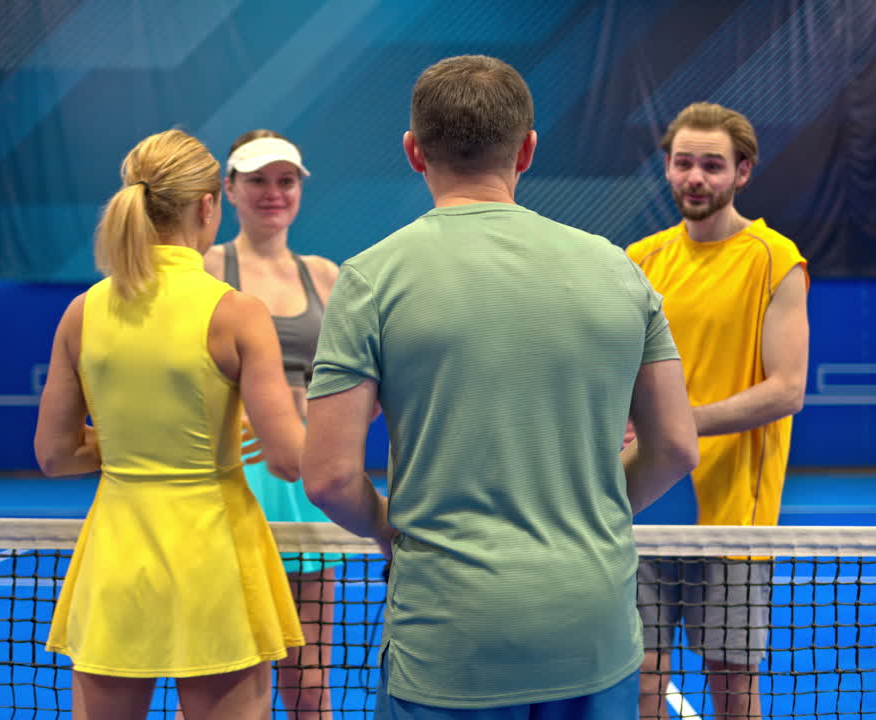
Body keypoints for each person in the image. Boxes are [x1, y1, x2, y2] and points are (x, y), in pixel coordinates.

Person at [300, 55, 699, 719]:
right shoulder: (620, 271)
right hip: (594, 631)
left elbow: (329, 478)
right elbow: (677, 448)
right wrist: (589, 510)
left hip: (448, 643)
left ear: (413, 152)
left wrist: (388, 532)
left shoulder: (371, 279)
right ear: (528, 149)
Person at [35, 128, 306, 720]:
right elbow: (289, 457)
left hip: (116, 555)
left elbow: (54, 455)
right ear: (209, 205)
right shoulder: (237, 313)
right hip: (216, 558)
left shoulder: (82, 311)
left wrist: (130, 446)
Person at [625, 102, 810, 720]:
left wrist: (676, 423)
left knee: (732, 685)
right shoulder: (640, 261)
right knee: (642, 677)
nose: (695, 178)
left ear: (743, 172)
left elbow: (786, 390)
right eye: (683, 163)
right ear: (668, 168)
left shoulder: (774, 259)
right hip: (642, 504)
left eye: (711, 165)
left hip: (733, 520)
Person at [198, 130, 341, 720]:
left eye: (285, 181)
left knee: (308, 687)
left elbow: (361, 386)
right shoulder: (206, 268)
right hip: (227, 491)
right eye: (256, 180)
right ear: (228, 190)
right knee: (223, 687)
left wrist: (309, 416)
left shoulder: (325, 276)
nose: (272, 193)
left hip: (305, 493)